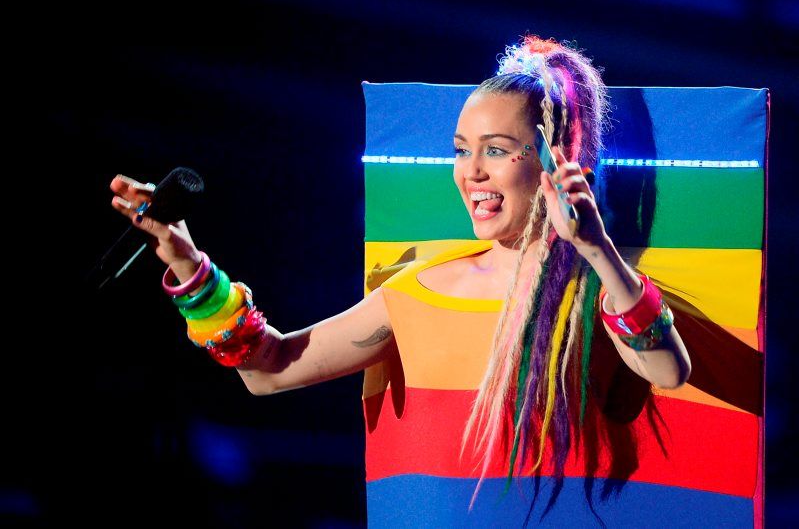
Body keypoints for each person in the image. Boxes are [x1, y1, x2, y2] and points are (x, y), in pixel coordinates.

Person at [109, 35, 691, 526]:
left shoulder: (602, 293)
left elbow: (668, 370)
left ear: (556, 161)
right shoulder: (419, 291)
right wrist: (189, 265)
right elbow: (267, 370)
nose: (471, 172)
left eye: (497, 150)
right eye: (462, 151)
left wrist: (596, 250)